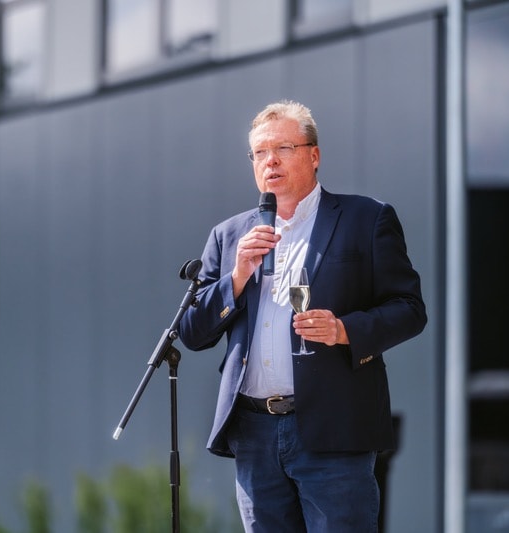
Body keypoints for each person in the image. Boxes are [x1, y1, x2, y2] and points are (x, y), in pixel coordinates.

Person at [179, 100, 427, 532]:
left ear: (314, 155)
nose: (269, 161)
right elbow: (192, 332)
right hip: (254, 431)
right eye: (259, 152)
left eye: (283, 148)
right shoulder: (230, 235)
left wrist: (344, 329)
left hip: (334, 427)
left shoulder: (366, 219)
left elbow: (409, 309)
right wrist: (236, 277)